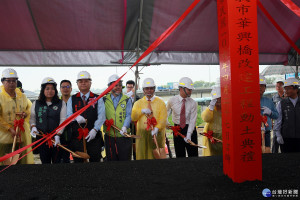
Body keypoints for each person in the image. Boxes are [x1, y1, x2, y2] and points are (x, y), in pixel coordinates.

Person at [67, 71, 105, 163]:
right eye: (80, 81)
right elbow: (68, 115)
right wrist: (76, 117)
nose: (83, 83)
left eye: (86, 81)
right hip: (77, 138)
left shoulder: (97, 98)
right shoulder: (72, 99)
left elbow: (102, 116)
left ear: (90, 83)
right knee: (79, 163)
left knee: (95, 161)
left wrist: (95, 129)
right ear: (77, 84)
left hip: (94, 137)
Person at [0, 68, 34, 165]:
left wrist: (25, 114)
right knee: (5, 165)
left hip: (20, 137)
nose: (11, 83)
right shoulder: (0, 97)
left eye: (14, 81)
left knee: (20, 163)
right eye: (8, 81)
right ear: (3, 82)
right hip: (4, 138)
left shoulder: (22, 96)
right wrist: (9, 128)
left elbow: (29, 109)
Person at [29, 77, 67, 164]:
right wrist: (33, 127)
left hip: (56, 139)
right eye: (47, 89)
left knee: (57, 162)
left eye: (52, 89)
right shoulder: (36, 103)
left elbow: (63, 120)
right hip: (42, 138)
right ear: (43, 90)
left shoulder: (61, 103)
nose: (50, 91)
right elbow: (32, 118)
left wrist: (58, 134)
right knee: (44, 162)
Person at [131, 78, 167, 160]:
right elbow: (133, 117)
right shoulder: (138, 103)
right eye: (147, 88)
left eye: (151, 88)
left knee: (156, 157)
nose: (149, 90)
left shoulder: (160, 102)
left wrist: (157, 128)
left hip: (157, 135)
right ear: (143, 90)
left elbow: (163, 118)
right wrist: (141, 111)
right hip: (142, 135)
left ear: (154, 89)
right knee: (142, 156)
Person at [103, 74, 133, 161]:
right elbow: (101, 115)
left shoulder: (127, 99)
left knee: (124, 160)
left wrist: (125, 127)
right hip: (110, 136)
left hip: (124, 135)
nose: (118, 87)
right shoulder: (104, 99)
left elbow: (128, 115)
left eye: (120, 85)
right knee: (111, 160)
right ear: (109, 86)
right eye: (116, 85)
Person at [166, 77, 198, 157]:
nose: (190, 91)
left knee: (193, 155)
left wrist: (189, 134)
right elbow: (165, 113)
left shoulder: (193, 103)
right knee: (180, 155)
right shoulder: (172, 100)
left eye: (191, 90)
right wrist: (167, 123)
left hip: (190, 129)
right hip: (177, 130)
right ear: (181, 88)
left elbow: (192, 120)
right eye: (189, 89)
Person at [274, 78, 300, 153]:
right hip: (286, 138)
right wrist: (278, 134)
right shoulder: (281, 103)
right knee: (287, 161)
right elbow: (278, 121)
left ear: (296, 89)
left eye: (288, 88)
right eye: (285, 89)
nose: (285, 91)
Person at [259, 75, 279, 153]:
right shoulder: (248, 100)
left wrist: (270, 112)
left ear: (265, 88)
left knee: (266, 154)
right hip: (252, 133)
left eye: (262, 86)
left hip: (266, 133)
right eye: (257, 86)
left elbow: (276, 115)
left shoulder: (268, 101)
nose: (260, 88)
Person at [201, 85, 222, 156]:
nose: (218, 102)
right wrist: (211, 106)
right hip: (213, 140)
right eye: (216, 100)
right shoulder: (211, 110)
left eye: (220, 99)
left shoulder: (228, 109)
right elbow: (206, 118)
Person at [58, 79, 73, 163]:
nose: (65, 89)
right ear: (60, 89)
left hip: (74, 137)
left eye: (67, 86)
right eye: (63, 87)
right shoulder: (57, 103)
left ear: (71, 89)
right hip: (60, 137)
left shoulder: (75, 101)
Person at [125, 80, 140, 160]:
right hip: (126, 124)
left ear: (135, 88)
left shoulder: (138, 99)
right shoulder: (124, 98)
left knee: (135, 141)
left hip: (135, 124)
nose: (130, 89)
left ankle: (135, 157)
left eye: (131, 87)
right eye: (128, 87)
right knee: (126, 142)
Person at [271, 80, 285, 153]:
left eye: (279, 86)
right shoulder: (274, 97)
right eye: (276, 86)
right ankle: (274, 156)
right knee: (275, 140)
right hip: (276, 121)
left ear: (283, 87)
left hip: (285, 121)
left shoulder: (286, 96)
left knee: (284, 140)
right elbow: (272, 109)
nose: (278, 88)